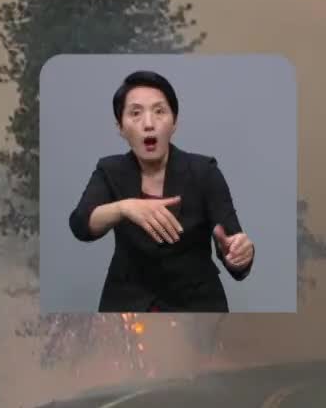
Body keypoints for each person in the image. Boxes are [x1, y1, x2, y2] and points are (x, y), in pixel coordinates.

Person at [67, 70, 254, 311]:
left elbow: (232, 242)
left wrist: (240, 254)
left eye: (159, 111)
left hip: (196, 309)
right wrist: (125, 208)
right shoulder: (110, 170)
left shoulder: (204, 172)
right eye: (135, 113)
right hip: (126, 308)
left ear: (174, 122)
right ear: (120, 127)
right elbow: (81, 224)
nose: (148, 124)